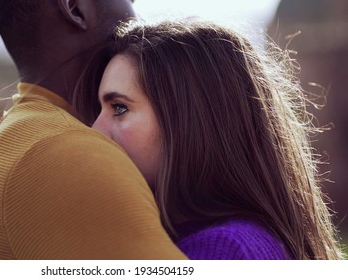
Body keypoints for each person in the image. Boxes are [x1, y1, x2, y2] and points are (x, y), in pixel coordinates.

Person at [74, 20, 344, 259]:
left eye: (119, 107)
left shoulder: (221, 250)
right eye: (99, 110)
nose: (95, 130)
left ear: (188, 117)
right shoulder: (246, 239)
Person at [0, 1, 187, 259]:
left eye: (120, 108)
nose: (137, 10)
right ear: (74, 7)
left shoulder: (29, 134)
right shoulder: (66, 153)